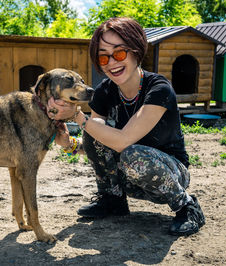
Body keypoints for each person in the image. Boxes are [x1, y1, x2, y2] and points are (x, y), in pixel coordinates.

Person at [47, 17, 205, 236]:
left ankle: (187, 206)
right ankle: (112, 200)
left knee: (129, 152)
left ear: (136, 50)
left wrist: (76, 115)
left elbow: (122, 141)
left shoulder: (159, 88)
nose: (112, 62)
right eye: (103, 57)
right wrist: (70, 144)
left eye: (119, 53)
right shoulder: (104, 91)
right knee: (96, 129)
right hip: (129, 176)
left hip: (171, 174)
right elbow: (100, 144)